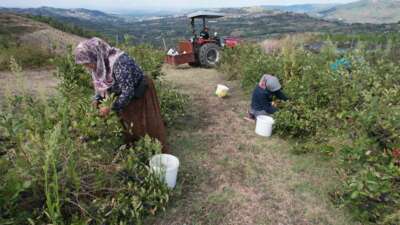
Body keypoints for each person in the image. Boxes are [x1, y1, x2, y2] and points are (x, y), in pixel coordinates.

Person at [74, 37, 169, 153]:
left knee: (145, 124)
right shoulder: (100, 65)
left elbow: (128, 92)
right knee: (129, 124)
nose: (87, 67)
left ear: (95, 56)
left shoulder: (120, 62)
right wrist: (97, 98)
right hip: (123, 95)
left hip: (140, 92)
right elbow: (100, 84)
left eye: (88, 63)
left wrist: (110, 107)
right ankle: (134, 150)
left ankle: (154, 151)